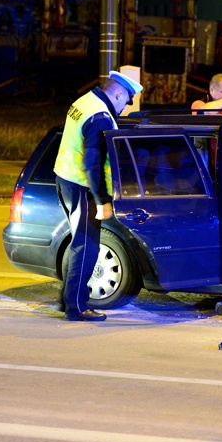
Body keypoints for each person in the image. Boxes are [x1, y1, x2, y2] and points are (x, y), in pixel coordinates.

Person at [54, 70, 143, 322]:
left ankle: (68, 299)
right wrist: (102, 200)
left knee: (79, 243)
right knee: (87, 248)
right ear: (116, 93)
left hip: (64, 179)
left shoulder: (84, 101)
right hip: (82, 187)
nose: (125, 107)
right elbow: (92, 163)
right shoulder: (101, 117)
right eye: (125, 100)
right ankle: (77, 308)